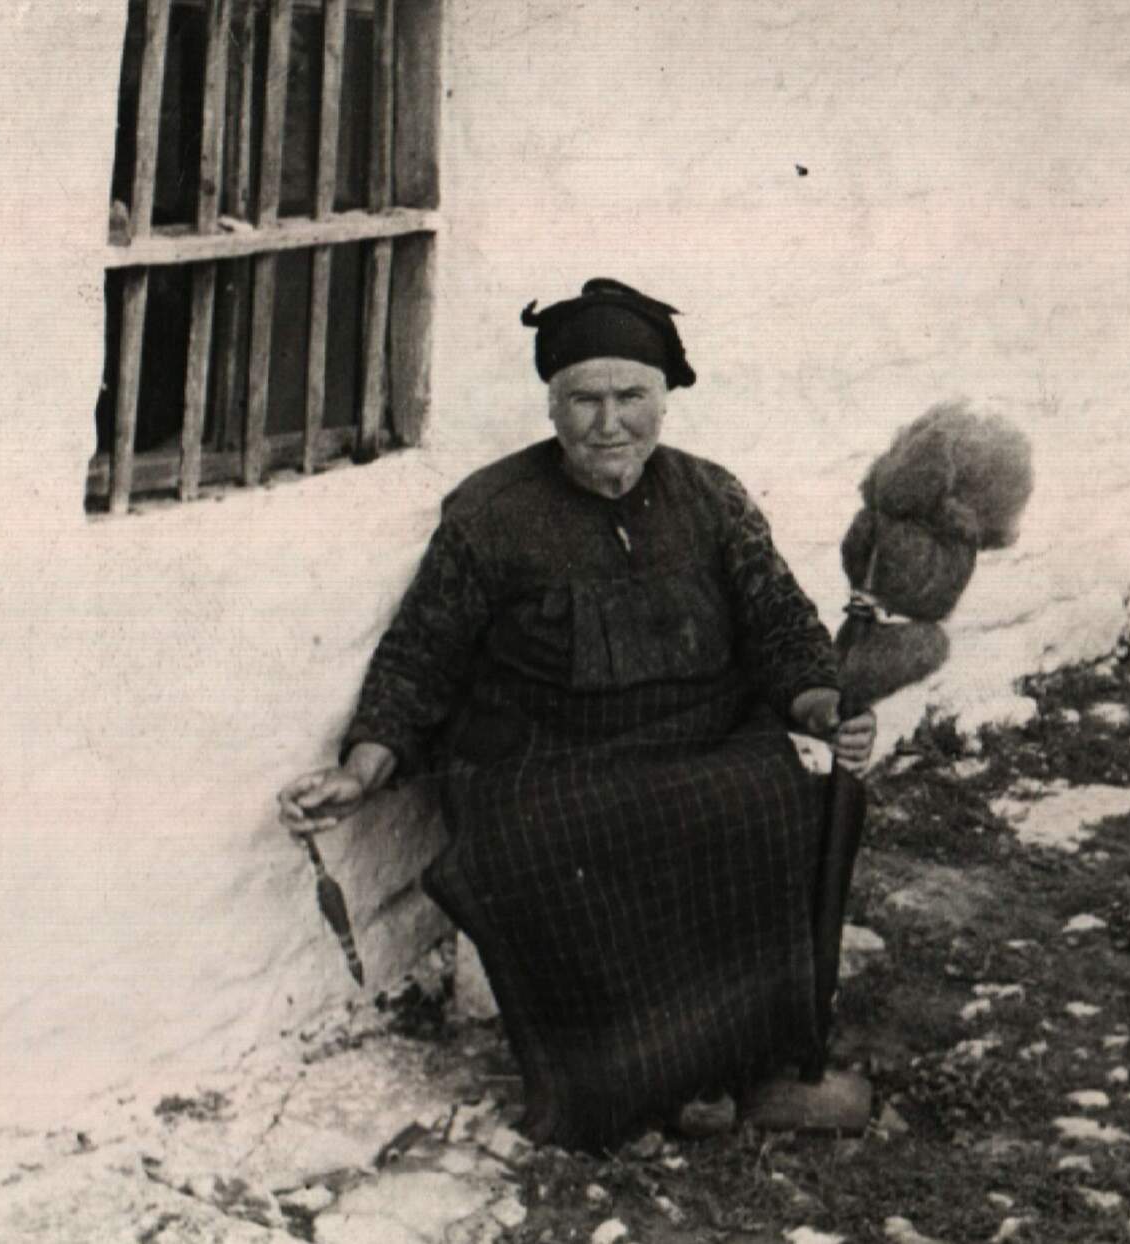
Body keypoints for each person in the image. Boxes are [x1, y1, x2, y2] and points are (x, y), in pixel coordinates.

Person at [277, 278, 876, 1151]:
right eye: (585, 400)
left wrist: (822, 705)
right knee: (555, 839)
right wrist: (363, 768)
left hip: (700, 736)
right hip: (545, 754)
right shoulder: (491, 515)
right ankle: (627, 1089)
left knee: (784, 795)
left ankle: (758, 1061)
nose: (609, 423)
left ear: (663, 402)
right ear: (552, 406)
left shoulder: (712, 497)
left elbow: (780, 621)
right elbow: (420, 656)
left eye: (631, 397)